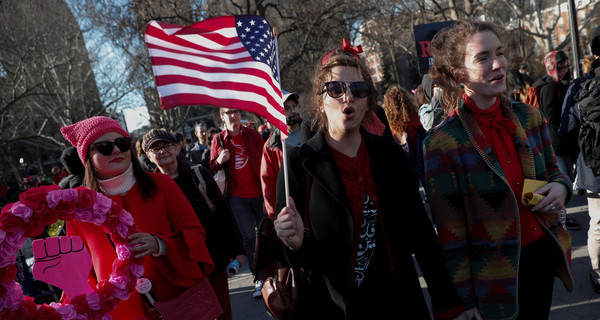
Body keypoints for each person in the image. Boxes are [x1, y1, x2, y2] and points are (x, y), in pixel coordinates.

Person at [272, 38, 467, 319]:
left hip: (400, 303)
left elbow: (421, 234)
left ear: (368, 103)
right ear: (320, 100)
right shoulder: (297, 164)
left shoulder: (391, 156)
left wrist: (448, 305)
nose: (347, 97)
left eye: (358, 89)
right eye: (336, 88)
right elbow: (284, 252)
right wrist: (294, 242)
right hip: (336, 308)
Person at [424, 20, 574, 319]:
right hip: (493, 278)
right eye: (482, 57)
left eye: (500, 53)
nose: (497, 64)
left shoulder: (530, 116)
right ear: (459, 74)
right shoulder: (442, 143)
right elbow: (452, 236)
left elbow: (555, 172)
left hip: (541, 260)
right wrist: (465, 303)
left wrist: (561, 188)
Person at [60, 116, 215, 319]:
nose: (116, 150)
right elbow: (81, 273)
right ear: (87, 156)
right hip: (121, 312)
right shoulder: (79, 209)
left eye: (122, 144)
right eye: (105, 147)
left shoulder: (163, 185)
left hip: (178, 301)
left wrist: (160, 244)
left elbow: (196, 234)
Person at [142, 128, 245, 320]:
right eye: (155, 149)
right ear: (148, 155)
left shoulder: (198, 174)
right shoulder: (150, 188)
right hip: (177, 264)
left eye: (166, 146)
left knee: (222, 312)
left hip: (212, 257)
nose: (162, 151)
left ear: (177, 147)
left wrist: (237, 249)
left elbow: (223, 213)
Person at [559, 26, 600, 293]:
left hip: (593, 168)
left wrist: (577, 161)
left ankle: (598, 272)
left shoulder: (579, 86)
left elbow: (565, 131)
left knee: (597, 224)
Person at [209, 107, 266, 297]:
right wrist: (219, 159)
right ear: (222, 116)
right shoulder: (218, 139)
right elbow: (211, 166)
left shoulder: (252, 134)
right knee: (249, 238)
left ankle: (272, 273)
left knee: (267, 233)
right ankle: (258, 277)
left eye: (236, 111)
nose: (234, 115)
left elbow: (265, 158)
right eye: (229, 112)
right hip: (237, 197)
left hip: (259, 192)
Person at [260, 90, 303, 218]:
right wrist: (275, 216)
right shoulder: (271, 146)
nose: (293, 111)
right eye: (287, 108)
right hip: (290, 207)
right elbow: (268, 185)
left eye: (294, 106)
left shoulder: (312, 132)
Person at [382, 86, 425, 189]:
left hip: (404, 162)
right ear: (406, 98)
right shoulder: (415, 116)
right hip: (420, 158)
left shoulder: (390, 123)